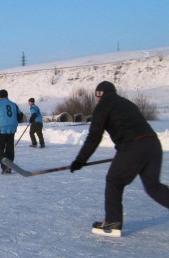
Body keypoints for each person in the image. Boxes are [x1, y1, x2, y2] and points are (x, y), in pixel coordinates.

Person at [70, 81, 169, 237]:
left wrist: (80, 160)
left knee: (114, 181)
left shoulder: (103, 106)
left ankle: (112, 222)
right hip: (153, 144)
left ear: (99, 95)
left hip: (132, 146)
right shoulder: (126, 103)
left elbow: (94, 137)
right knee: (153, 187)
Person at [0, 89, 24, 174]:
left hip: (2, 129)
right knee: (10, 148)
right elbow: (20, 115)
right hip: (12, 129)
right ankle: (9, 166)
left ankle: (5, 166)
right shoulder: (14, 105)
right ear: (7, 96)